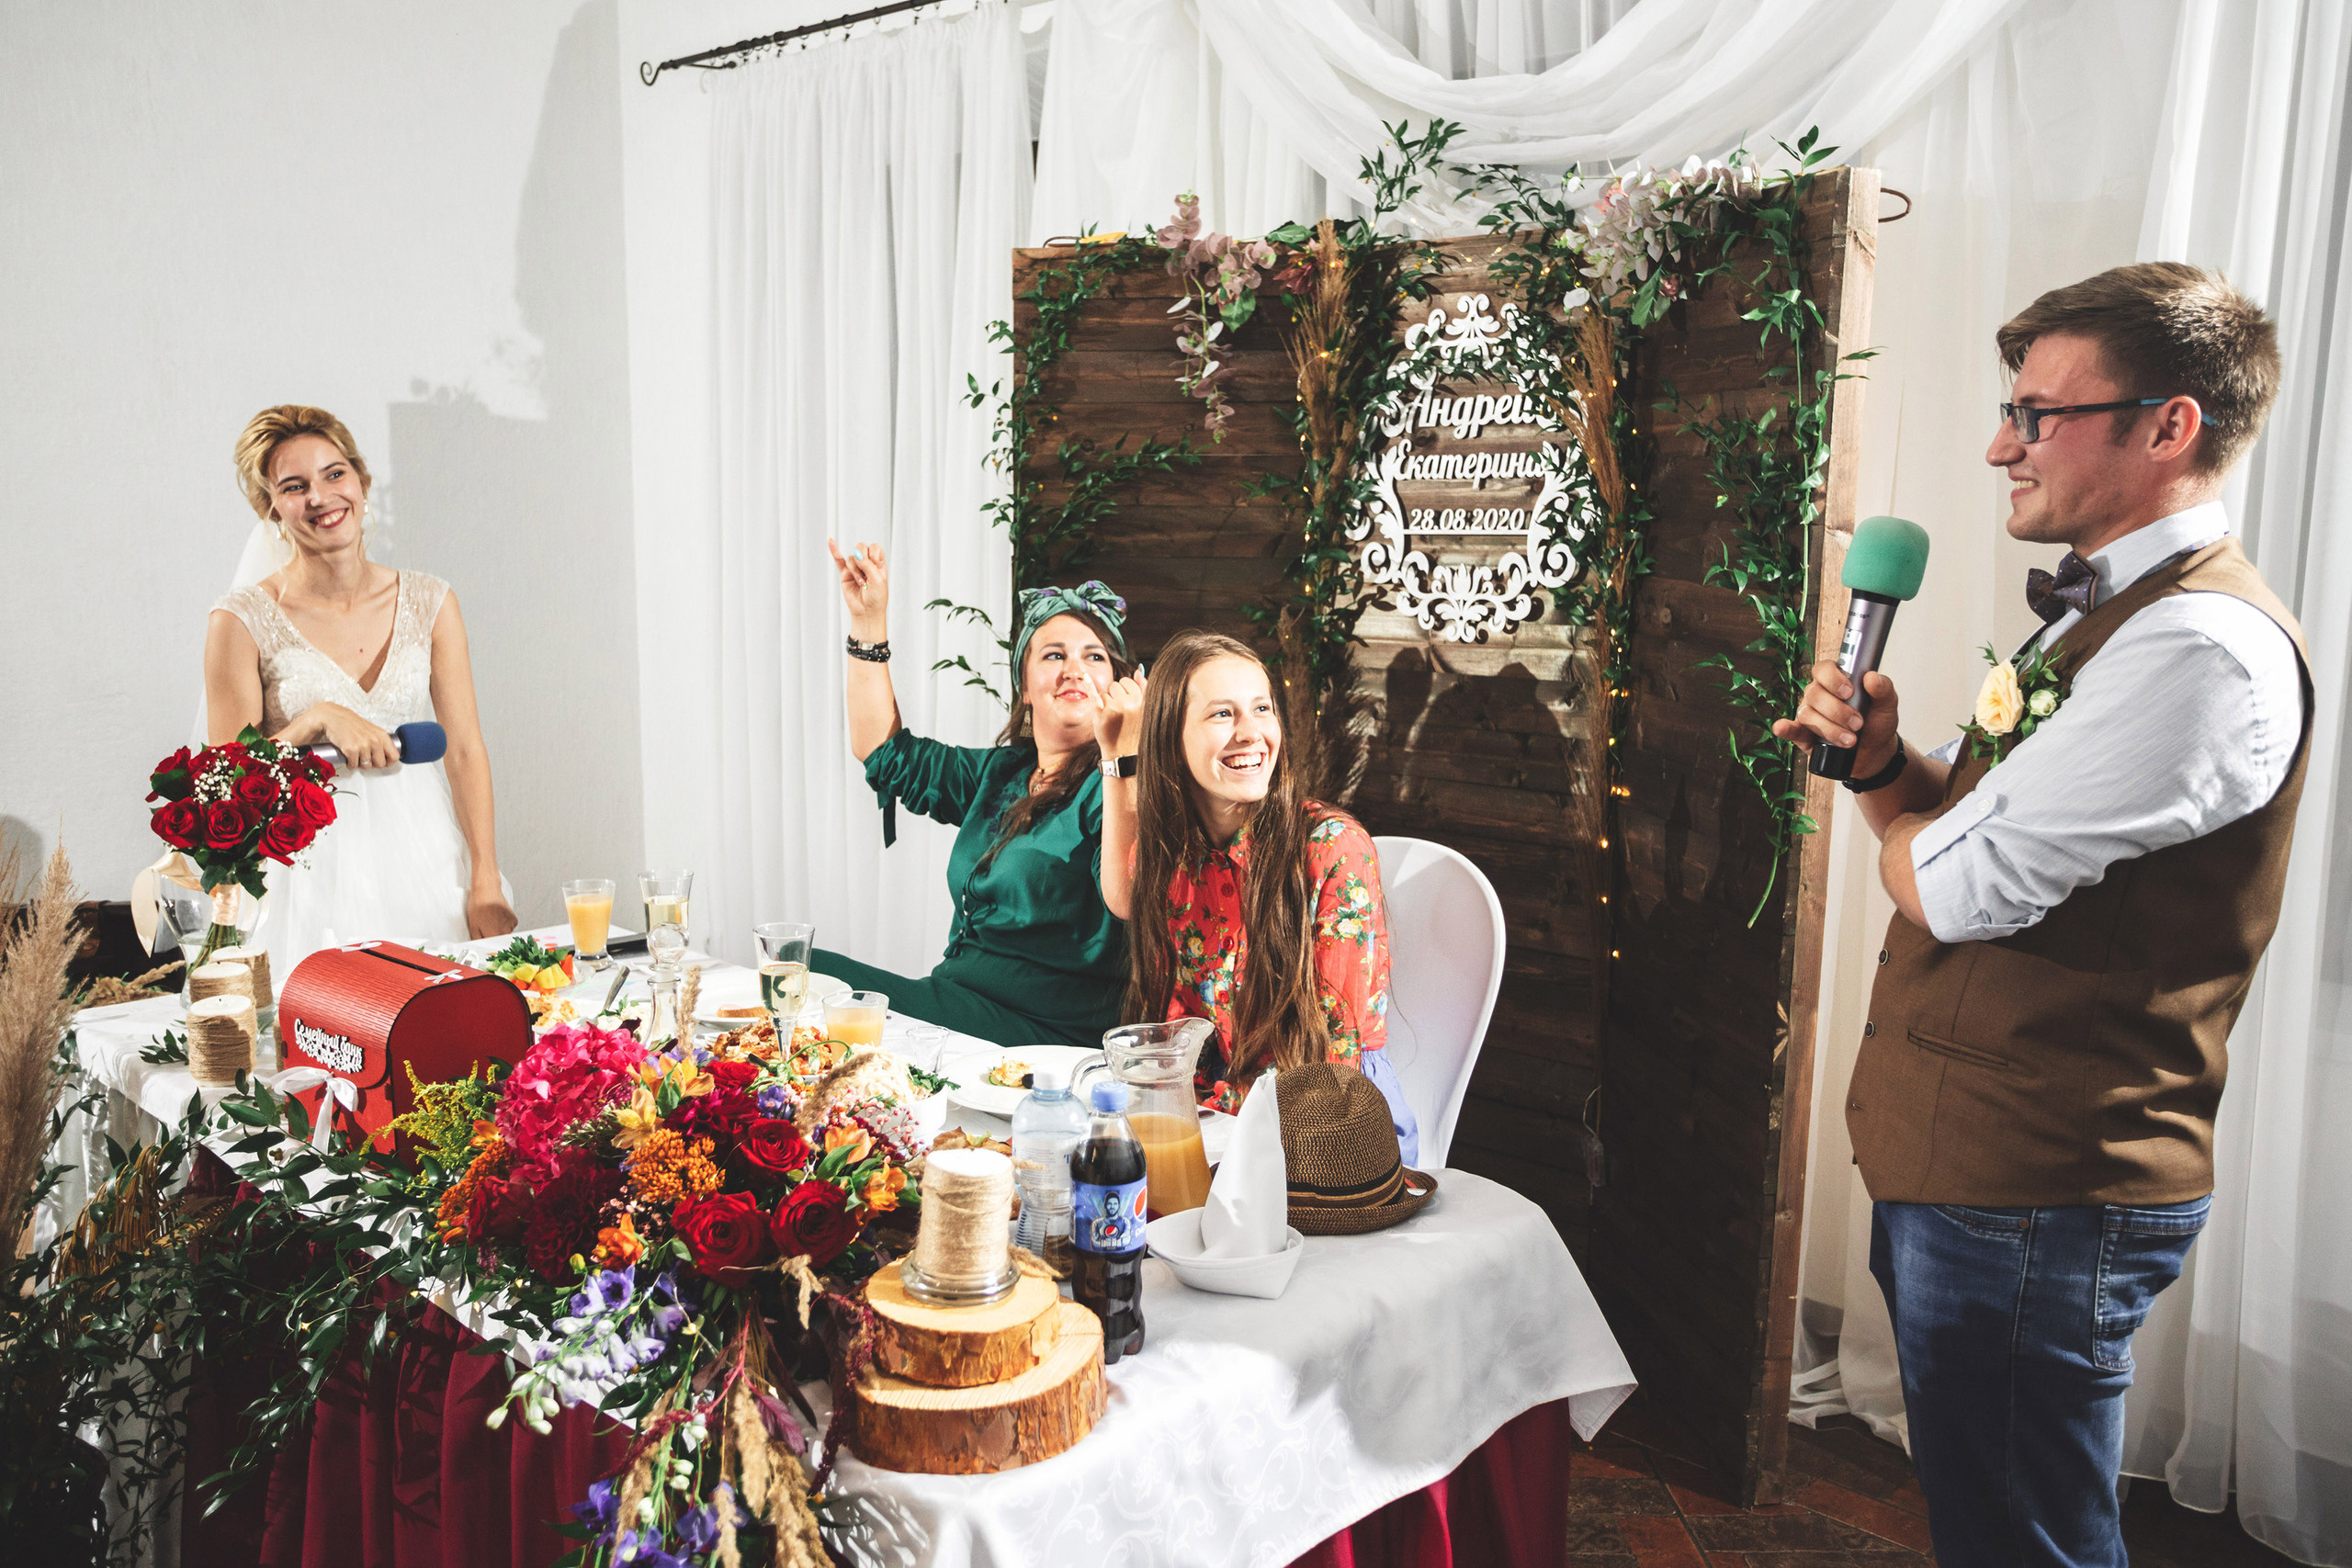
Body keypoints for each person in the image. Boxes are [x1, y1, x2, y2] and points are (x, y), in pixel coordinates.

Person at [1775, 264, 2306, 1567]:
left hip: (2043, 1189)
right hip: (1977, 1173)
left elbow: (1957, 880)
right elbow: (1958, 817)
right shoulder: (2107, 620)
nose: (1999, 444)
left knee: (2027, 1541)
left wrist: (1913, 827)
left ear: (2168, 426)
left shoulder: (2200, 649)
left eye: (2037, 412)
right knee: (1988, 1518)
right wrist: (1885, 766)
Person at [204, 405, 515, 978]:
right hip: (305, 871)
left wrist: (485, 877)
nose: (321, 497)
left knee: (441, 1035)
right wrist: (316, 719)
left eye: (334, 474)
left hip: (421, 858)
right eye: (294, 487)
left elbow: (466, 749)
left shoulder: (431, 602)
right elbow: (228, 782)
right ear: (270, 508)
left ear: (362, 483)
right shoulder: (241, 619)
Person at [1097, 629, 1419, 1162]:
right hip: (1211, 1120)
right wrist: (1117, 752)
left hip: (1330, 1136)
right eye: (1222, 714)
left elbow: (1330, 1068)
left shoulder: (1334, 848)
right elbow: (1124, 896)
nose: (1251, 733)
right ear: (1169, 741)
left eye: (1262, 709)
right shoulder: (1172, 854)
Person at [820, 539, 1130, 1047]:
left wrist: (1127, 752)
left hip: (1048, 1034)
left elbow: (1133, 897)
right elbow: (882, 750)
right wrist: (868, 620)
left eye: (1094, 656)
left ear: (1117, 682)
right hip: (958, 1003)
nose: (1074, 668)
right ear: (1025, 688)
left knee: (809, 976)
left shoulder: (1118, 786)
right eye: (1054, 654)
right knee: (797, 966)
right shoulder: (1003, 773)